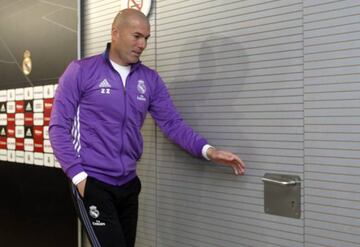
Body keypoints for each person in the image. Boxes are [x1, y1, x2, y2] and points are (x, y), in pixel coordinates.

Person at [49, 8, 245, 247]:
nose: (142, 44)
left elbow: (172, 123)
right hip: (93, 181)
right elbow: (58, 128)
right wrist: (79, 178)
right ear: (116, 32)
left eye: (146, 38)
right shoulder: (81, 71)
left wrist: (208, 150)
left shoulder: (150, 80)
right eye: (137, 36)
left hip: (129, 183)